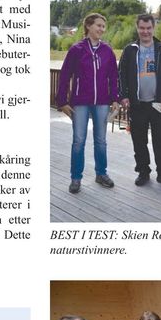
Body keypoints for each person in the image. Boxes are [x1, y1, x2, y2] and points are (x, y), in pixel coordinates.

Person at [56, 13, 119, 193]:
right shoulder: (76, 49)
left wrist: (114, 98)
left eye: (103, 26)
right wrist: (62, 101)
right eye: (98, 25)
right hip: (80, 102)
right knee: (78, 141)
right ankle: (76, 178)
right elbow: (65, 75)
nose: (101, 29)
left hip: (101, 102)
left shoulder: (107, 51)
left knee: (101, 141)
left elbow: (113, 77)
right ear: (88, 26)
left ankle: (101, 174)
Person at [118, 14, 161, 188]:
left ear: (153, 28)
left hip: (158, 103)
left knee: (160, 140)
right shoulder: (130, 50)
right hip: (137, 104)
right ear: (137, 28)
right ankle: (143, 172)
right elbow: (121, 75)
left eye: (148, 28)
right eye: (142, 28)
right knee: (139, 140)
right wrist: (124, 95)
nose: (145, 31)